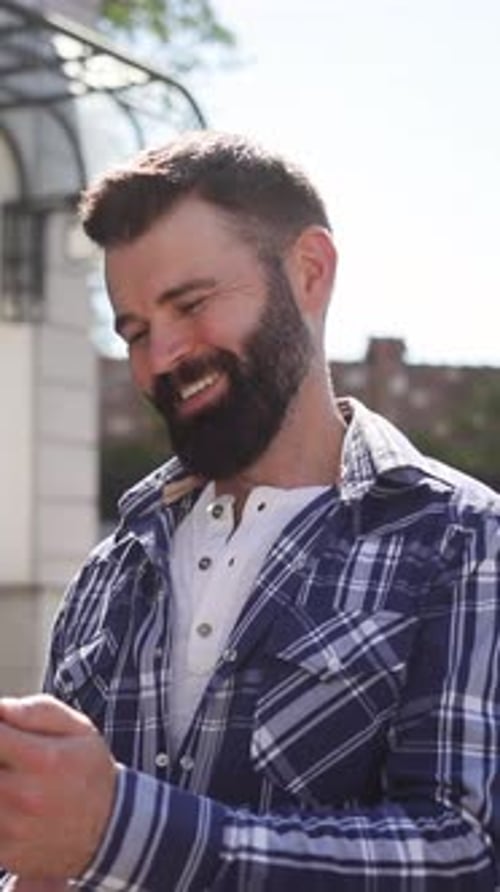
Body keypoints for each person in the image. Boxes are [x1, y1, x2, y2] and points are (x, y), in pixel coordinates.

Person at [0, 131, 499, 891]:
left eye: (191, 303)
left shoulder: (463, 538)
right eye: (133, 331)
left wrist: (120, 832)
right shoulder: (112, 566)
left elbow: (464, 856)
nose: (160, 356)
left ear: (308, 271)